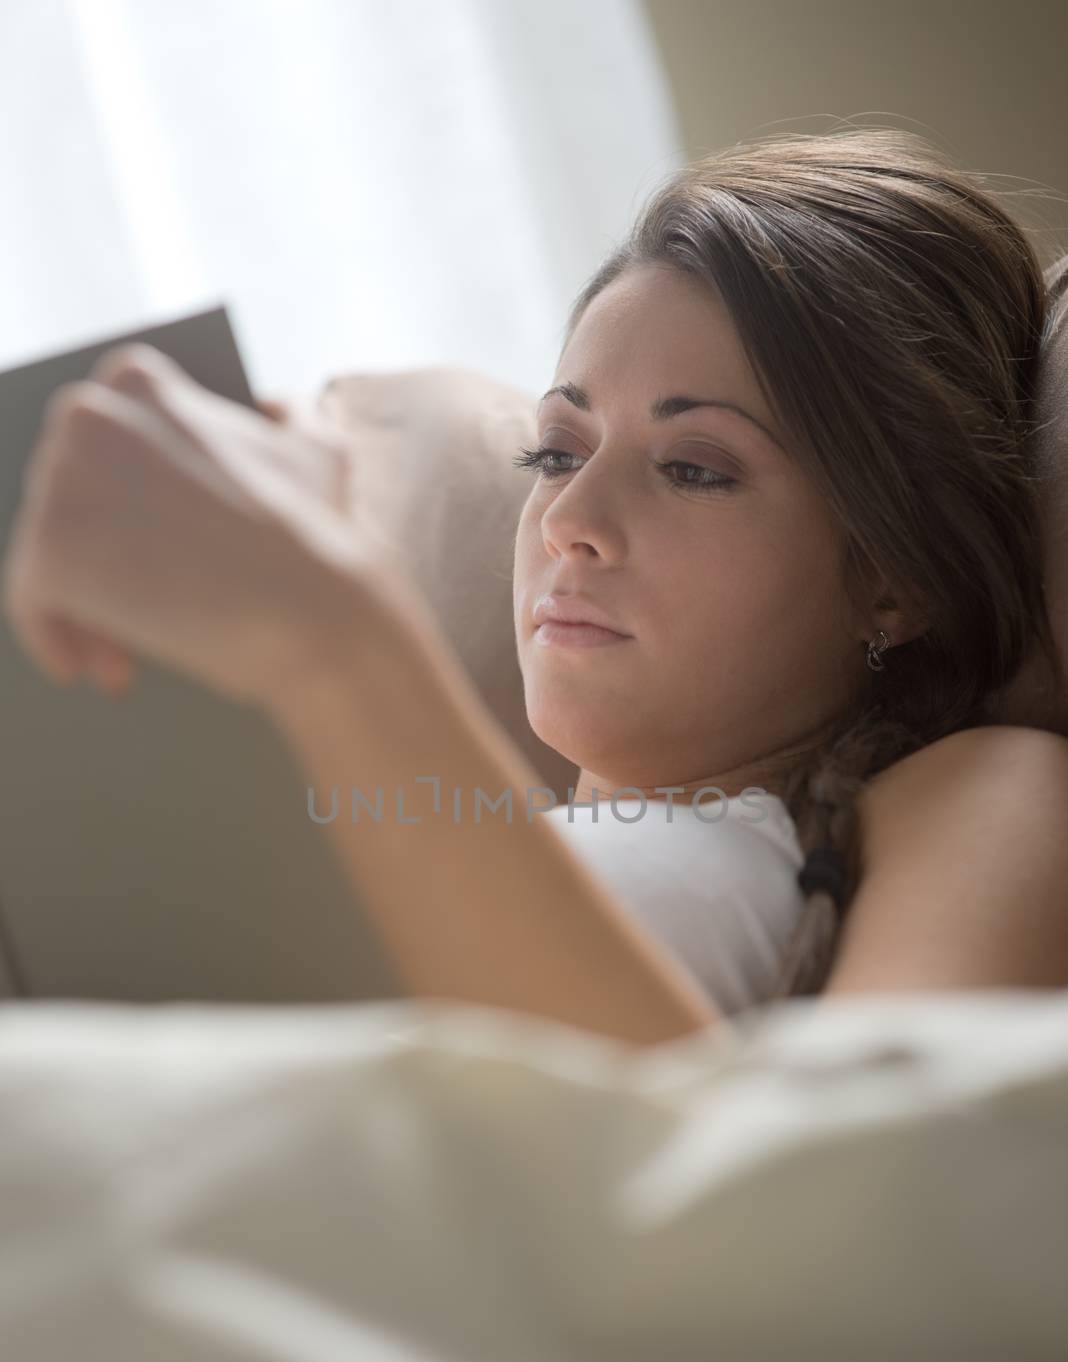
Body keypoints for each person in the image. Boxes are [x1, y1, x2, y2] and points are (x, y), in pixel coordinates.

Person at [4, 126, 1068, 1049]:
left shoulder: (984, 791)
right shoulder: (447, 819)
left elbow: (863, 1209)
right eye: (557, 453)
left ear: (895, 580)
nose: (569, 522)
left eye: (693, 467)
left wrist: (342, 652)